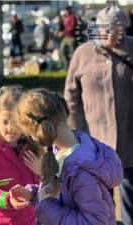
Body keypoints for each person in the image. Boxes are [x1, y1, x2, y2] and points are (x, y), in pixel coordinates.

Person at [9, 88, 123, 225]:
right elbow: (63, 196)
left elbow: (94, 222)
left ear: (35, 133)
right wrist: (33, 195)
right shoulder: (65, 151)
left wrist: (46, 208)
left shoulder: (79, 171)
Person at [64, 6, 133, 225]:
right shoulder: (83, 52)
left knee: (130, 193)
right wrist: (75, 133)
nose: (111, 35)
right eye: (105, 30)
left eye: (116, 30)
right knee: (99, 198)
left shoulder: (132, 48)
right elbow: (71, 95)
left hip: (129, 137)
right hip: (94, 141)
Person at [0, 86, 41, 225]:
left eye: (16, 122)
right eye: (5, 121)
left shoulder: (33, 147)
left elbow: (48, 188)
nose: (10, 128)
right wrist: (7, 199)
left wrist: (41, 172)